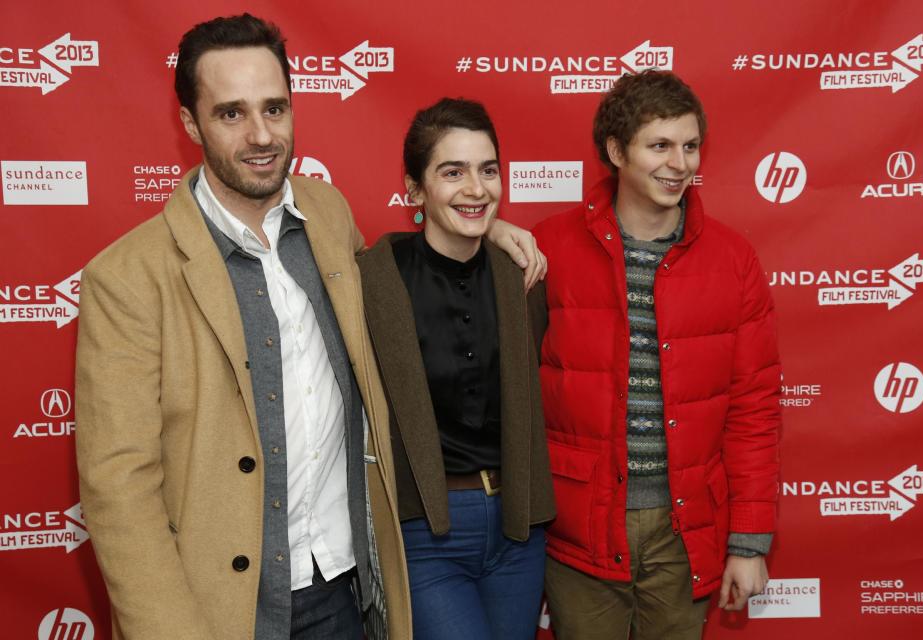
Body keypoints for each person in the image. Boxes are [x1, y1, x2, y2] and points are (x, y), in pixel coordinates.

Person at [74, 14, 542, 640]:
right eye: (231, 114)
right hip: (223, 608)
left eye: (275, 108)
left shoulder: (327, 215)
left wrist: (490, 230)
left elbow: (406, 270)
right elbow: (118, 492)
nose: (261, 134)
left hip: (347, 589)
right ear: (191, 123)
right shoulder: (128, 277)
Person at [533, 70, 782, 639]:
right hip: (579, 532)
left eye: (690, 146)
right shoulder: (547, 248)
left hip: (685, 532)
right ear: (616, 150)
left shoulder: (733, 259)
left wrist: (748, 541)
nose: (680, 163)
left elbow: (754, 410)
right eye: (660, 145)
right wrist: (497, 234)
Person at [356, 98, 556, 640]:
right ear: (415, 190)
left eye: (487, 170)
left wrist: (493, 231)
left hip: (518, 528)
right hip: (425, 532)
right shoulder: (371, 279)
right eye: (453, 172)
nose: (476, 187)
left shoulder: (524, 277)